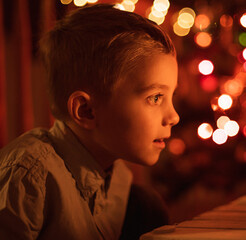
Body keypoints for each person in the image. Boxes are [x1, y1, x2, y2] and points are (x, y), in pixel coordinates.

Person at [0, 3, 179, 240]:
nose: (174, 116)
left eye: (171, 96)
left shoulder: (121, 182)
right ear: (86, 111)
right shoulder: (27, 176)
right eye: (155, 97)